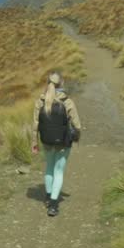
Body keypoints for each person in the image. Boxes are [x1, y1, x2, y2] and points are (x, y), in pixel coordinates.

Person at [31, 71, 83, 217]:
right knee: (58, 171)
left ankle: (48, 197)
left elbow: (35, 125)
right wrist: (77, 137)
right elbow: (77, 124)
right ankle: (53, 205)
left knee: (49, 167)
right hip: (63, 142)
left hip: (46, 141)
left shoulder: (40, 101)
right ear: (62, 83)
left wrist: (34, 142)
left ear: (47, 83)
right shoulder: (67, 101)